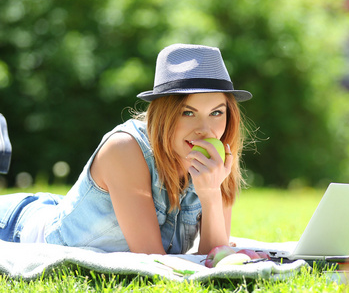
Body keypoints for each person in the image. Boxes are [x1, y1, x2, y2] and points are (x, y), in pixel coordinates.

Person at [0, 43, 252, 255]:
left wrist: (210, 194)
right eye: (188, 112)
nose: (206, 130)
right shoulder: (125, 148)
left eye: (217, 112)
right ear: (163, 115)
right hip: (15, 228)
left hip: (65, 209)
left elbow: (215, 261)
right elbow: (152, 262)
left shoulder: (218, 159)